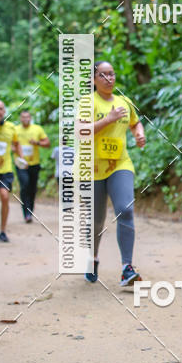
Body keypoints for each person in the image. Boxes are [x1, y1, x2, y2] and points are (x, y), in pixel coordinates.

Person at [79, 61, 146, 286]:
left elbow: (136, 123)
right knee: (96, 221)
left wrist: (139, 135)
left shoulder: (124, 102)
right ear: (94, 79)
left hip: (120, 164)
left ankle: (127, 268)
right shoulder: (87, 102)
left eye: (112, 74)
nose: (109, 78)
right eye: (103, 75)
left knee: (125, 210)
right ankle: (93, 258)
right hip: (92, 168)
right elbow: (81, 132)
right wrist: (108, 119)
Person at [0, 100, 21, 242]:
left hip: (6, 169)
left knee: (5, 196)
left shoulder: (11, 128)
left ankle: (2, 231)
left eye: (0, 108)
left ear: (4, 111)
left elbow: (17, 144)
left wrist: (21, 159)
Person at [15, 110, 50, 222]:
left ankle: (30, 211)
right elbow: (11, 144)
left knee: (32, 188)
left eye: (27, 117)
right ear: (20, 118)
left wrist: (37, 143)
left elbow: (47, 143)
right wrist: (13, 148)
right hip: (21, 164)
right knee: (24, 185)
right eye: (23, 117)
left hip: (34, 164)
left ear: (30, 118)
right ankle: (26, 213)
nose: (25, 119)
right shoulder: (15, 130)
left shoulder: (37, 129)